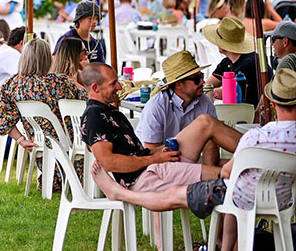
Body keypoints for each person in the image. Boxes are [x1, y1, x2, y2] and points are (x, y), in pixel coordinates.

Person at [91, 69, 296, 251]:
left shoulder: (257, 136)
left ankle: (121, 194)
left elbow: (228, 172)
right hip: (281, 200)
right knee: (214, 179)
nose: (201, 82)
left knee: (178, 193)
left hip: (237, 195)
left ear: (272, 102)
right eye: (195, 78)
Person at [81, 63, 238, 194]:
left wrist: (160, 152)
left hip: (152, 167)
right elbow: (109, 162)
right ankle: (254, 153)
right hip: (145, 176)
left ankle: (254, 149)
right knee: (226, 174)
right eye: (113, 83)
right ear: (95, 88)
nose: (120, 86)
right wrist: (155, 158)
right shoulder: (95, 114)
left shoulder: (110, 111)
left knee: (206, 122)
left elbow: (139, 152)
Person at [0, 37, 87, 190]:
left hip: (40, 146)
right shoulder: (59, 82)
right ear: (46, 58)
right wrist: (81, 75)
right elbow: (88, 99)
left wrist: (21, 140)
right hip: (71, 146)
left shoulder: (12, 84)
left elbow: (2, 118)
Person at [135, 52, 229, 165]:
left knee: (211, 137)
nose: (203, 82)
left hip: (186, 159)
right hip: (157, 163)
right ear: (178, 84)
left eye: (202, 76)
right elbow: (153, 153)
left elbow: (212, 145)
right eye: (196, 79)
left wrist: (209, 169)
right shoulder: (156, 106)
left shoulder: (205, 102)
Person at [203, 17, 263, 106]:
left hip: (249, 114)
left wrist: (209, 92)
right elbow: (208, 85)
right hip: (237, 110)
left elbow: (229, 93)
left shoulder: (249, 63)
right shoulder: (227, 62)